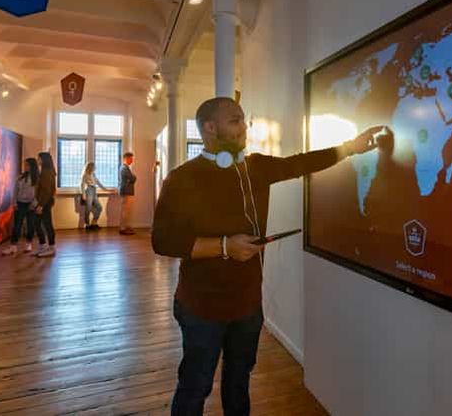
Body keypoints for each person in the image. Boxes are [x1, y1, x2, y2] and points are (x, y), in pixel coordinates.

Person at [151, 97, 384, 416]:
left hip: (248, 305)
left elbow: (301, 163)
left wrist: (350, 148)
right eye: (234, 120)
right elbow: (162, 241)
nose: (244, 127)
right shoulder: (181, 179)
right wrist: (224, 246)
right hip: (200, 307)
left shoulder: (257, 167)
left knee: (239, 381)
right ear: (210, 128)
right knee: (195, 385)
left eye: (243, 119)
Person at [2, 157, 39, 256]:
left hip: (31, 204)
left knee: (30, 225)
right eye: (24, 164)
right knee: (17, 225)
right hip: (20, 203)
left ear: (32, 166)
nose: (25, 166)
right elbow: (15, 191)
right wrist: (14, 203)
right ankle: (13, 246)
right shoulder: (20, 177)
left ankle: (28, 243)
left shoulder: (37, 178)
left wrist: (34, 204)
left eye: (27, 165)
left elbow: (38, 193)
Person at [33, 151, 57, 257]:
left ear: (43, 160)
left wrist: (41, 205)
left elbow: (47, 191)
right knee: (37, 223)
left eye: (39, 158)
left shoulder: (47, 172)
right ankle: (42, 245)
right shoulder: (44, 170)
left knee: (47, 224)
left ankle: (51, 247)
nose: (37, 160)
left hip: (45, 202)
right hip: (42, 201)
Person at [81, 162, 106, 230]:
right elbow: (82, 185)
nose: (95, 168)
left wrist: (105, 189)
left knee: (99, 207)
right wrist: (83, 195)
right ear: (91, 167)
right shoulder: (85, 175)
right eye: (94, 167)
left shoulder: (93, 174)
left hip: (94, 190)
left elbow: (98, 182)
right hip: (89, 190)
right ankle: (87, 224)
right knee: (88, 208)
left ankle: (94, 223)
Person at [119, 152, 136, 235]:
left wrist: (132, 178)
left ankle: (125, 227)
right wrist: (134, 177)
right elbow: (132, 178)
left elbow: (131, 178)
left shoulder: (124, 167)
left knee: (126, 210)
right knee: (125, 210)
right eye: (131, 159)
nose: (132, 161)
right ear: (127, 158)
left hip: (126, 191)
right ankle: (123, 228)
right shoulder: (125, 168)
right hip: (126, 191)